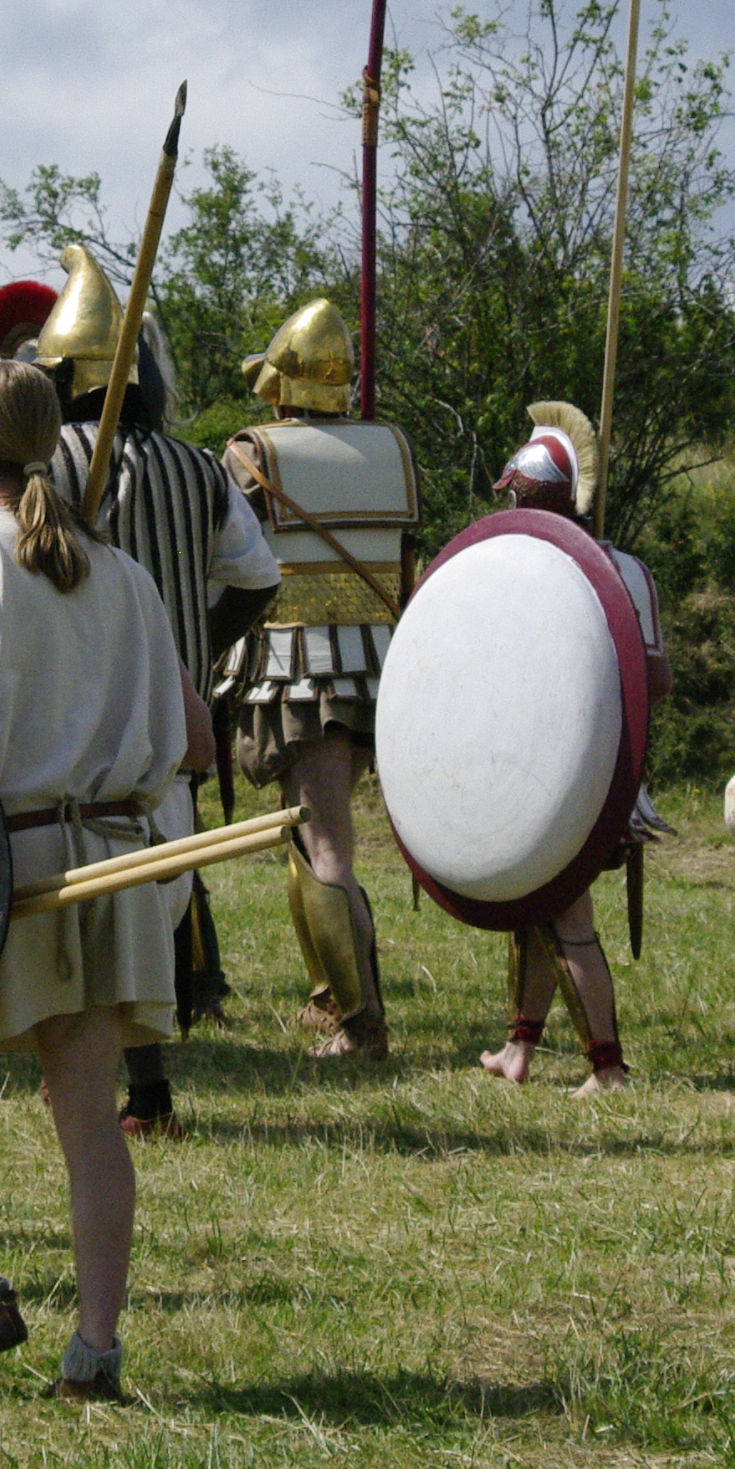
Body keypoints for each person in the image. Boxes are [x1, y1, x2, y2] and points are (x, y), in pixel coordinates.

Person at [0, 359, 210, 1401]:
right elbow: (193, 737)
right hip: (111, 865)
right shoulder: (124, 574)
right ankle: (93, 1357)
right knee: (88, 1114)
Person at [21, 252, 280, 1138]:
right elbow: (255, 579)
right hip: (167, 725)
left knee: (82, 901)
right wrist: (192, 650)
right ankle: (141, 1090)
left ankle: (98, 1076)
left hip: (71, 722)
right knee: (145, 900)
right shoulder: (198, 468)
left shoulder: (35, 462)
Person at [216, 297, 418, 1062]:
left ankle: (363, 1024)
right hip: (379, 666)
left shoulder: (251, 454)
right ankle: (329, 995)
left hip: (298, 669)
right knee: (305, 833)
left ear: (281, 384)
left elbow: (227, 560)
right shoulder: (390, 448)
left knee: (323, 838)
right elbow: (405, 566)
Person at [472, 405, 666, 1093]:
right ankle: (520, 1049)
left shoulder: (516, 568)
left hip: (561, 777)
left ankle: (607, 1065)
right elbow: (658, 678)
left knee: (568, 917)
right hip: (606, 772)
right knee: (535, 911)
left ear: (524, 493)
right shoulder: (631, 570)